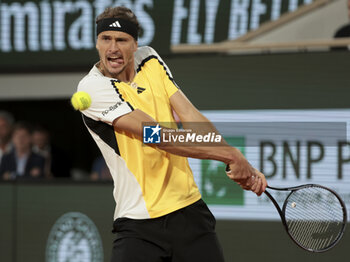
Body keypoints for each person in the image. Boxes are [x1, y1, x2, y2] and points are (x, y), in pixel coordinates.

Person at [76, 6, 267, 262]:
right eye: (105, 39)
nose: (113, 48)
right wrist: (229, 155)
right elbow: (158, 136)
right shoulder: (93, 89)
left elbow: (190, 115)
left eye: (121, 40)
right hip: (138, 224)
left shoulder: (150, 58)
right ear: (97, 42)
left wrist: (235, 158)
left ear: (135, 44)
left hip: (189, 213)